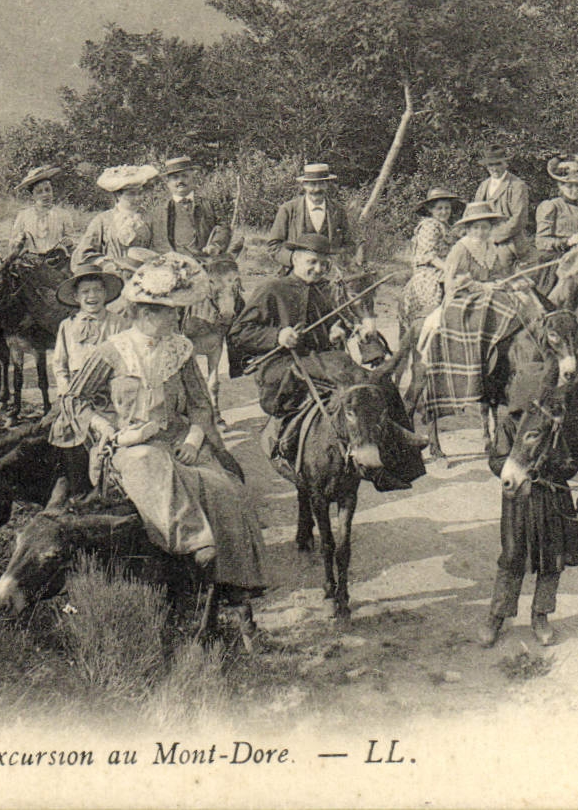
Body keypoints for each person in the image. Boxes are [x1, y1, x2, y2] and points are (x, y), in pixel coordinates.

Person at [47, 256, 265, 595]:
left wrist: (194, 440)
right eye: (168, 312)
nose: (175, 318)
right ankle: (194, 540)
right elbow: (75, 399)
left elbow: (200, 404)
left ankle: (234, 580)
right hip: (130, 443)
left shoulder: (180, 349)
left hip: (177, 437)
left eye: (174, 311)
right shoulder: (113, 350)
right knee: (151, 463)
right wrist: (107, 431)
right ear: (145, 313)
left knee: (225, 487)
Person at [228, 234, 422, 492]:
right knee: (359, 379)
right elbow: (238, 333)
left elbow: (329, 322)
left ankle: (395, 464)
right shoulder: (272, 289)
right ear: (295, 259)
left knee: (379, 386)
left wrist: (335, 329)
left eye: (323, 264)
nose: (318, 269)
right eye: (312, 262)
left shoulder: (322, 290)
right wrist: (279, 336)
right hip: (284, 365)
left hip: (324, 363)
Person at [49, 266, 128, 395]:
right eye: (85, 291)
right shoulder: (67, 325)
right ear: (76, 297)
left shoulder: (117, 323)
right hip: (75, 390)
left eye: (97, 290)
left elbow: (125, 361)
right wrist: (66, 390)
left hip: (109, 391)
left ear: (105, 293)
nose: (92, 295)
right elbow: (59, 364)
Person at [265, 163, 355, 271]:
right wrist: (293, 259)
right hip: (294, 274)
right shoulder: (288, 209)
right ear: (304, 185)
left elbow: (350, 246)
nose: (317, 189)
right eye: (312, 184)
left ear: (327, 185)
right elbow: (273, 247)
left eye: (321, 184)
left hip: (329, 275)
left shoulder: (338, 210)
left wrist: (336, 259)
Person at [534, 154, 578, 291]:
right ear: (560, 186)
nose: (575, 190)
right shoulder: (552, 206)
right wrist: (567, 242)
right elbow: (540, 241)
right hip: (559, 259)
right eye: (569, 186)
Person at [75, 164, 159, 273]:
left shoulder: (150, 218)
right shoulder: (103, 219)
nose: (137, 198)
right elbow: (85, 251)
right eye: (131, 194)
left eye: (140, 193)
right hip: (113, 274)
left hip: (145, 274)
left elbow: (160, 247)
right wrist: (104, 263)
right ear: (118, 195)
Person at [398, 188, 461, 324]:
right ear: (431, 210)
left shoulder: (447, 227)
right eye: (439, 208)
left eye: (447, 208)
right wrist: (448, 269)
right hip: (430, 270)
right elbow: (429, 255)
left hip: (446, 267)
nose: (444, 212)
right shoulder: (429, 226)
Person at [150, 156, 232, 258]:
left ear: (193, 178)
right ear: (168, 183)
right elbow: (157, 242)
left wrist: (216, 245)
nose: (180, 181)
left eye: (184, 176)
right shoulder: (160, 211)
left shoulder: (210, 204)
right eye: (175, 177)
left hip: (207, 261)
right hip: (174, 265)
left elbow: (224, 227)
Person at [441, 201, 518, 301]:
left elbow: (496, 272)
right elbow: (457, 281)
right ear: (468, 230)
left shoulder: (491, 247)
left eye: (485, 227)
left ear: (491, 228)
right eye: (475, 227)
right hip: (463, 295)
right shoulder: (462, 248)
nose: (480, 232)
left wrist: (499, 282)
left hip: (486, 292)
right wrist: (483, 287)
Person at [471, 146, 532, 264]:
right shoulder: (484, 186)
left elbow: (519, 219)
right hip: (484, 238)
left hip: (509, 241)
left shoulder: (516, 185)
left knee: (499, 268)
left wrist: (494, 237)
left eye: (498, 164)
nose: (494, 169)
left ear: (506, 163)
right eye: (490, 165)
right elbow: (475, 214)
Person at [6, 165, 74, 256]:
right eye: (39, 192)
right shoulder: (24, 215)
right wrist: (19, 240)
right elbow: (13, 243)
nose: (45, 195)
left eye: (47, 190)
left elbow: (72, 239)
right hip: (30, 262)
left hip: (56, 262)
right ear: (32, 195)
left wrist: (69, 241)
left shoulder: (63, 214)